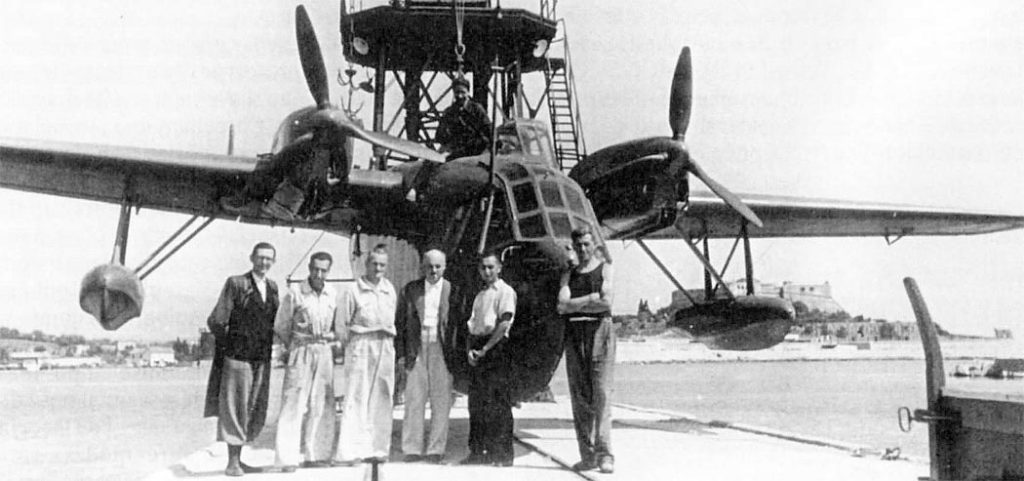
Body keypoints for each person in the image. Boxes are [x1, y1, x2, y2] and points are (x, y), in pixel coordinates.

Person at [204, 242, 280, 477]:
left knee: (253, 407)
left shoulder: (273, 287)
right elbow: (216, 320)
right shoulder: (236, 283)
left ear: (273, 262)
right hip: (238, 357)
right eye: (260, 257)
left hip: (261, 358)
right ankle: (232, 463)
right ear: (251, 258)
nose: (264, 262)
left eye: (268, 259)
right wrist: (231, 346)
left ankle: (240, 459)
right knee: (235, 408)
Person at [557, 226, 616, 474]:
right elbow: (561, 306)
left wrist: (577, 304)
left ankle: (605, 455)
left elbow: (606, 302)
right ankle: (587, 455)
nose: (583, 249)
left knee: (601, 394)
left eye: (587, 244)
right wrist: (589, 298)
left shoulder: (606, 269)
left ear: (595, 245)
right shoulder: (569, 274)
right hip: (575, 334)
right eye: (579, 245)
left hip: (600, 332)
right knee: (580, 397)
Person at [332, 244, 398, 464]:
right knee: (356, 396)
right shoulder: (353, 290)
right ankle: (351, 451)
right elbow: (341, 325)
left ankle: (378, 449)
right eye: (374, 264)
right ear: (366, 264)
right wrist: (351, 347)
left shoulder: (389, 289)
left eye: (382, 265)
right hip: (361, 344)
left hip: (385, 344)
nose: (378, 268)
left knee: (383, 397)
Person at [273, 252, 338, 472]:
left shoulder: (333, 293)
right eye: (315, 269)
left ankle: (317, 454)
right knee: (293, 403)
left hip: (324, 351)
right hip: (301, 349)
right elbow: (281, 326)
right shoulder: (295, 293)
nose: (319, 274)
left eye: (324, 270)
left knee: (322, 403)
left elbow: (337, 326)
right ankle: (288, 458)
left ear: (329, 271)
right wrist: (294, 347)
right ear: (309, 268)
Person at [395, 249, 456, 464]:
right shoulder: (411, 289)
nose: (433, 270)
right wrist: (401, 355)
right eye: (429, 266)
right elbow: (400, 324)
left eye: (438, 266)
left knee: (441, 400)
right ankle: (412, 448)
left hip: (441, 347)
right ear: (423, 267)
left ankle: (435, 449)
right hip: (416, 346)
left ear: (444, 267)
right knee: (414, 398)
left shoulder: (452, 290)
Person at [461, 252, 517, 467]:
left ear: (499, 268)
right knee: (476, 403)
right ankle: (477, 452)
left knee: (498, 403)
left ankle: (502, 454)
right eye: (483, 267)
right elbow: (471, 326)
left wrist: (485, 349)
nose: (487, 271)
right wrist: (471, 350)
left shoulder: (505, 292)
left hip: (495, 349)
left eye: (491, 267)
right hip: (478, 348)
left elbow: (503, 324)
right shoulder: (480, 295)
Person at [435, 76, 492, 160]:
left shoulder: (477, 109)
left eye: (463, 92)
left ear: (468, 92)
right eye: (457, 92)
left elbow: (489, 131)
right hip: (457, 152)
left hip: (476, 151)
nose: (460, 96)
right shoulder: (449, 112)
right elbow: (439, 136)